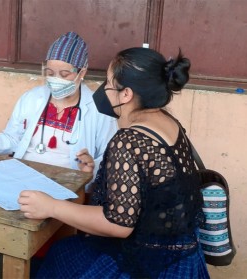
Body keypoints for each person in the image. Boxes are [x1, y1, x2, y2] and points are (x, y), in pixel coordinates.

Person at [18, 47, 210, 278]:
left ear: (126, 94)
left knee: (62, 255)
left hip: (152, 264)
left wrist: (51, 207)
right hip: (185, 256)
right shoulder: (168, 122)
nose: (104, 90)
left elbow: (119, 224)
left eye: (109, 82)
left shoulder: (129, 140)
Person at [0, 31, 117, 278]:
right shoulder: (32, 98)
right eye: (50, 73)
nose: (55, 80)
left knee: (40, 241)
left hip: (65, 188)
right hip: (18, 177)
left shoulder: (99, 108)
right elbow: (11, 139)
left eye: (64, 74)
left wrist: (91, 168)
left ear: (81, 73)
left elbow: (109, 157)